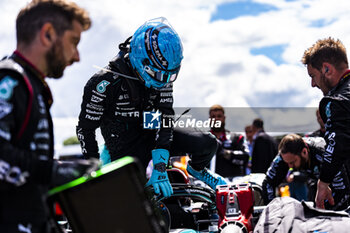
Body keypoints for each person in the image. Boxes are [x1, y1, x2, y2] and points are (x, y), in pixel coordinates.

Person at [76, 17, 227, 199]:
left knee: (208, 142)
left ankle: (197, 169)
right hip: (124, 147)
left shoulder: (162, 75)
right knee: (132, 200)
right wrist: (94, 173)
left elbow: (166, 117)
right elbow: (86, 129)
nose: (163, 81)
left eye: (169, 76)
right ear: (141, 59)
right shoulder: (103, 83)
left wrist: (160, 166)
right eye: (158, 74)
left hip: (153, 131)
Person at [0, 1, 93, 232]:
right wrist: (55, 171)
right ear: (48, 34)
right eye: (74, 42)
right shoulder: (9, 81)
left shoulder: (32, 86)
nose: (77, 56)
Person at [302, 37, 350, 209]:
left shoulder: (337, 101)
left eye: (313, 76)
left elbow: (338, 142)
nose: (313, 84)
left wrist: (323, 183)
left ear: (327, 69)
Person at [262, 134, 350, 210]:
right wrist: (272, 209)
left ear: (304, 152)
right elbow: (268, 183)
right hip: (317, 184)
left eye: (292, 162)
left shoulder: (323, 153)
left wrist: (323, 212)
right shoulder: (286, 156)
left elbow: (343, 190)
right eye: (287, 163)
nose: (290, 167)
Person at [208, 104, 249, 180]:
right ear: (209, 119)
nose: (216, 119)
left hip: (231, 185)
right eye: (213, 117)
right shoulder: (202, 139)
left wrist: (225, 153)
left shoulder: (237, 138)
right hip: (206, 185)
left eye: (219, 116)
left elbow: (246, 157)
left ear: (224, 118)